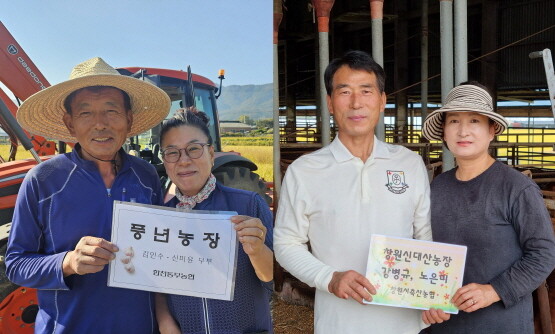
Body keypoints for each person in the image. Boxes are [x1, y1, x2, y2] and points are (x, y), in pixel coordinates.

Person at [6, 57, 171, 333]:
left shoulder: (147, 176)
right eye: (85, 113)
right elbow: (16, 264)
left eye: (111, 111)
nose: (100, 124)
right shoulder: (43, 180)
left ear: (129, 120)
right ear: (69, 124)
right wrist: (68, 262)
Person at [274, 50, 432, 333]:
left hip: (405, 324)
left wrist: (431, 298)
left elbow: (424, 237)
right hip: (339, 323)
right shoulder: (305, 171)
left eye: (366, 91)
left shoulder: (409, 163)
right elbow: (286, 244)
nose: (356, 103)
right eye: (344, 92)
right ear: (330, 103)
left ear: (382, 101)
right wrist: (329, 277)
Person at [420, 82, 555, 333]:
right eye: (453, 121)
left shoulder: (516, 188)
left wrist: (493, 291)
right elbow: (426, 251)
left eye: (474, 121)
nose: (463, 131)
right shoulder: (437, 187)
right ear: (444, 132)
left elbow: (544, 254)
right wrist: (425, 299)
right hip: (444, 326)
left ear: (492, 130)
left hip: (500, 324)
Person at [155, 108, 273, 334]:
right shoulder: (161, 218)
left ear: (210, 153)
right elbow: (158, 283)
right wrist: (165, 321)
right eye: (172, 153)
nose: (184, 161)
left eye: (194, 149)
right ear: (165, 160)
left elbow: (273, 279)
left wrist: (257, 250)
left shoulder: (249, 204)